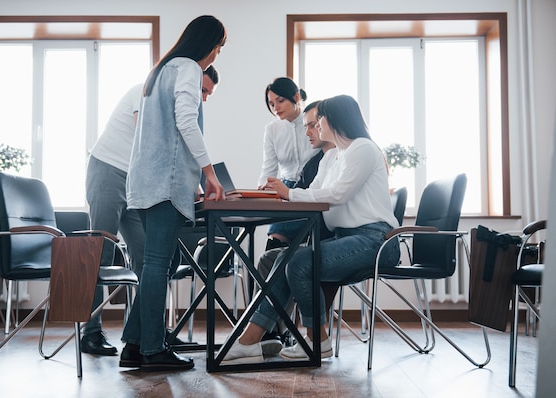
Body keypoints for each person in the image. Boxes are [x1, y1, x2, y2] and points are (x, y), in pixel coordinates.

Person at [221, 94, 401, 365]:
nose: (316, 126)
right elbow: (313, 193)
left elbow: (337, 195)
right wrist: (281, 194)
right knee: (285, 258)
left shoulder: (363, 148)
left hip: (376, 241)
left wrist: (290, 194)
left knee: (299, 261)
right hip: (348, 240)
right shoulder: (331, 158)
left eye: (320, 120)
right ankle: (251, 339)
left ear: (336, 120)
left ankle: (316, 340)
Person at [82, 66, 220, 356]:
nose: (203, 98)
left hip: (137, 180)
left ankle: (148, 332)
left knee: (152, 258)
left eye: (208, 94)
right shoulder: (144, 93)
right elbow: (149, 142)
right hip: (109, 169)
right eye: (203, 90)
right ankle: (91, 333)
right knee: (100, 253)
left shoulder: (172, 106)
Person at [120, 15, 227, 372]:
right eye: (218, 47)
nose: (216, 55)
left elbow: (163, 135)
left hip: (147, 181)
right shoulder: (188, 69)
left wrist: (192, 177)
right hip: (163, 185)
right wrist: (209, 173)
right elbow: (185, 121)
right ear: (207, 44)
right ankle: (152, 350)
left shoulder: (160, 71)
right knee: (157, 264)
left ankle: (134, 346)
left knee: (160, 264)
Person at [256, 100, 336, 355]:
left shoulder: (345, 156)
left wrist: (289, 194)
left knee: (289, 259)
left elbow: (330, 198)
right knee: (269, 259)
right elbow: (311, 194)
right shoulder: (320, 161)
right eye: (307, 126)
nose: (309, 132)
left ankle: (277, 333)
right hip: (316, 227)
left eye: (314, 125)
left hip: (330, 233)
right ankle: (273, 331)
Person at [257, 77, 320, 250]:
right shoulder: (272, 129)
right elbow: (268, 167)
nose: (275, 108)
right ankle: (268, 274)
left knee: (296, 243)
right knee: (275, 242)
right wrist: (261, 191)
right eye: (271, 104)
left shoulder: (315, 123)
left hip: (312, 188)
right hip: (285, 189)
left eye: (280, 101)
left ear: (297, 97)